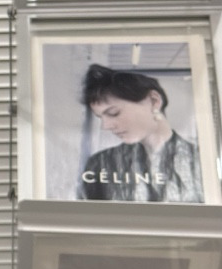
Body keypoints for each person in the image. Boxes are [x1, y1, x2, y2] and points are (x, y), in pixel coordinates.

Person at [76, 63, 204, 203]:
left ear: (154, 101)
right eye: (100, 117)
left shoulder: (201, 161)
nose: (105, 126)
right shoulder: (100, 163)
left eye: (113, 113)